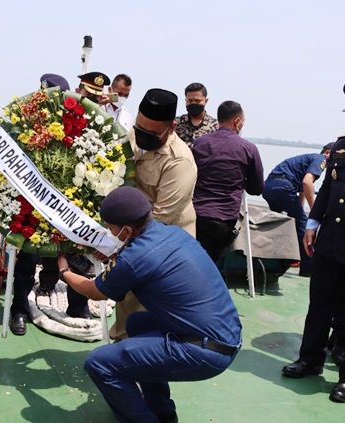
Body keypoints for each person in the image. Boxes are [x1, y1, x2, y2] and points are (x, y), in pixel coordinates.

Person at [57, 186, 242, 422]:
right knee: (138, 323)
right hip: (226, 337)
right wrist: (118, 256)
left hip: (203, 353)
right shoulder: (173, 233)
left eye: (111, 227)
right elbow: (143, 259)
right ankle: (162, 411)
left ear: (126, 229)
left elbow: (94, 292)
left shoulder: (134, 258)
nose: (108, 231)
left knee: (99, 363)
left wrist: (64, 270)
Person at [111, 88, 198, 340]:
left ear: (171, 127)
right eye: (139, 129)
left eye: (151, 133)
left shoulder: (179, 162)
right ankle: (121, 350)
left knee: (149, 312)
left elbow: (161, 219)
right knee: (126, 302)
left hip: (166, 243)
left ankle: (142, 359)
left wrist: (116, 243)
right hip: (130, 235)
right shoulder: (135, 135)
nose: (142, 136)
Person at [9, 73, 88, 336]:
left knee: (75, 256)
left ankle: (78, 307)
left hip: (66, 204)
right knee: (27, 260)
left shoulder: (79, 126)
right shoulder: (26, 125)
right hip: (32, 207)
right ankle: (18, 310)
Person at [282, 135, 345, 403]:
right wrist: (312, 223)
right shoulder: (341, 145)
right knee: (319, 302)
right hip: (330, 239)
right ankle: (309, 360)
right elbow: (330, 190)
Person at [192, 101, 264, 262]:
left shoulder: (200, 143)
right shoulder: (249, 148)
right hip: (224, 220)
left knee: (192, 259)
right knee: (211, 262)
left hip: (197, 215)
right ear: (237, 121)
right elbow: (256, 189)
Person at [262, 143, 333, 276]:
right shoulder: (321, 159)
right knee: (304, 223)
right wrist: (315, 211)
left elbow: (302, 191)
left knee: (278, 224)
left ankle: (274, 260)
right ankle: (307, 266)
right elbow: (307, 183)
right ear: (328, 153)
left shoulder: (306, 161)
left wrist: (299, 212)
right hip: (283, 187)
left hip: (269, 187)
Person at [174, 82, 219, 149]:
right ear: (185, 100)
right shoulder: (175, 123)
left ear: (206, 101)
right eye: (190, 100)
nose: (193, 103)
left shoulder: (215, 126)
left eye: (197, 101)